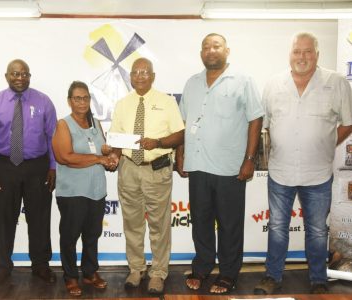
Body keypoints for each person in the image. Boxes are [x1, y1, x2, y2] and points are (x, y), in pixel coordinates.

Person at [253, 32, 352, 295]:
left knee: (318, 230)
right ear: (290, 54)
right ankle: (272, 276)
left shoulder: (337, 82)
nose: (302, 57)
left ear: (317, 55)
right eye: (297, 51)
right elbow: (263, 125)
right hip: (280, 171)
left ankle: (318, 278)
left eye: (308, 51)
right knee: (276, 227)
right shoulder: (274, 84)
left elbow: (348, 122)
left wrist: (326, 142)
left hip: (318, 172)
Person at [176, 33, 264, 294]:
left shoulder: (243, 80)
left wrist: (249, 159)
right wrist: (181, 152)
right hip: (198, 165)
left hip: (230, 168)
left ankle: (228, 273)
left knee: (229, 223)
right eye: (205, 47)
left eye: (216, 46)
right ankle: (202, 267)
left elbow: (256, 120)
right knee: (200, 221)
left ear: (227, 50)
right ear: (200, 53)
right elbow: (184, 122)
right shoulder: (192, 83)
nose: (210, 50)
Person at [106, 57, 185, 294]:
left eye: (145, 72)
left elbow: (180, 135)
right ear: (130, 77)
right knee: (132, 222)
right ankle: (136, 268)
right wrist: (112, 152)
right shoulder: (123, 104)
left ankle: (158, 272)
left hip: (157, 169)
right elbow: (116, 137)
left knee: (159, 225)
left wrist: (158, 142)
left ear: (153, 76)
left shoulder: (167, 102)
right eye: (136, 72)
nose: (140, 76)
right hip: (129, 168)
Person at [0, 59, 57, 287]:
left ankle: (41, 265)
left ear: (29, 76)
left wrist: (53, 166)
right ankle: (3, 267)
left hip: (37, 166)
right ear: (6, 76)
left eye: (24, 74)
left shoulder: (44, 101)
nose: (20, 78)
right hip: (5, 166)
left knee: (40, 218)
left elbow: (53, 137)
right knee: (5, 219)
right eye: (15, 74)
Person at [52, 81, 117, 296]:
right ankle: (70, 276)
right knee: (70, 236)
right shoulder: (64, 124)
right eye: (78, 98)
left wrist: (108, 153)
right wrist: (99, 158)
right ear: (70, 101)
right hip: (73, 192)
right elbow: (65, 157)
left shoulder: (96, 123)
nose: (82, 102)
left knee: (92, 234)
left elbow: (102, 151)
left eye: (86, 98)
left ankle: (90, 272)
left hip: (96, 190)